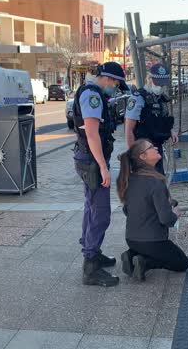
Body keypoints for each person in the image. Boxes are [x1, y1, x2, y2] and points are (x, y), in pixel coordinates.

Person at [72, 61, 129, 287]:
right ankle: (90, 266)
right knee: (101, 212)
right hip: (92, 161)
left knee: (91, 206)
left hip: (88, 158)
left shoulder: (90, 92)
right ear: (108, 79)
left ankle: (92, 252)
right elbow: (93, 133)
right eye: (116, 83)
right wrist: (103, 168)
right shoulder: (92, 95)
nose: (115, 87)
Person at [117, 139, 188, 281]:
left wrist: (167, 204)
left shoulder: (129, 179)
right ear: (143, 157)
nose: (156, 147)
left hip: (131, 239)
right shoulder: (156, 183)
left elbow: (128, 210)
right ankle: (144, 263)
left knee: (152, 250)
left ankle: (131, 255)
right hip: (153, 241)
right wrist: (175, 214)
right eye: (151, 147)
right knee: (182, 263)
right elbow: (166, 219)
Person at [124, 63, 179, 175]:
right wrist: (132, 157)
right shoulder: (138, 98)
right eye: (157, 83)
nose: (160, 87)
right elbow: (129, 130)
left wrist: (171, 131)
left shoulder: (160, 98)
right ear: (149, 79)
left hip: (156, 149)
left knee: (158, 181)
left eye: (163, 84)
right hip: (142, 151)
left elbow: (161, 120)